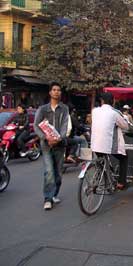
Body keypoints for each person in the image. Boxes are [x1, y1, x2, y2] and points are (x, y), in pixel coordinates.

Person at [34, 82, 69, 210]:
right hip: (46, 145)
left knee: (58, 173)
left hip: (60, 144)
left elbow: (65, 125)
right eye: (54, 90)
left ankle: (54, 193)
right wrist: (45, 138)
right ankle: (47, 198)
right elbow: (36, 126)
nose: (56, 92)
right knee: (49, 171)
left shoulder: (64, 108)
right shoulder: (42, 109)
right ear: (50, 92)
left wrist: (60, 138)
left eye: (58, 90)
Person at [91, 93, 130, 190]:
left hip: (94, 145)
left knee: (103, 161)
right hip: (107, 146)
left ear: (102, 101)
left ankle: (107, 180)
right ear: (113, 101)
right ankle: (121, 182)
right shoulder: (114, 113)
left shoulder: (94, 111)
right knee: (124, 158)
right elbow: (125, 126)